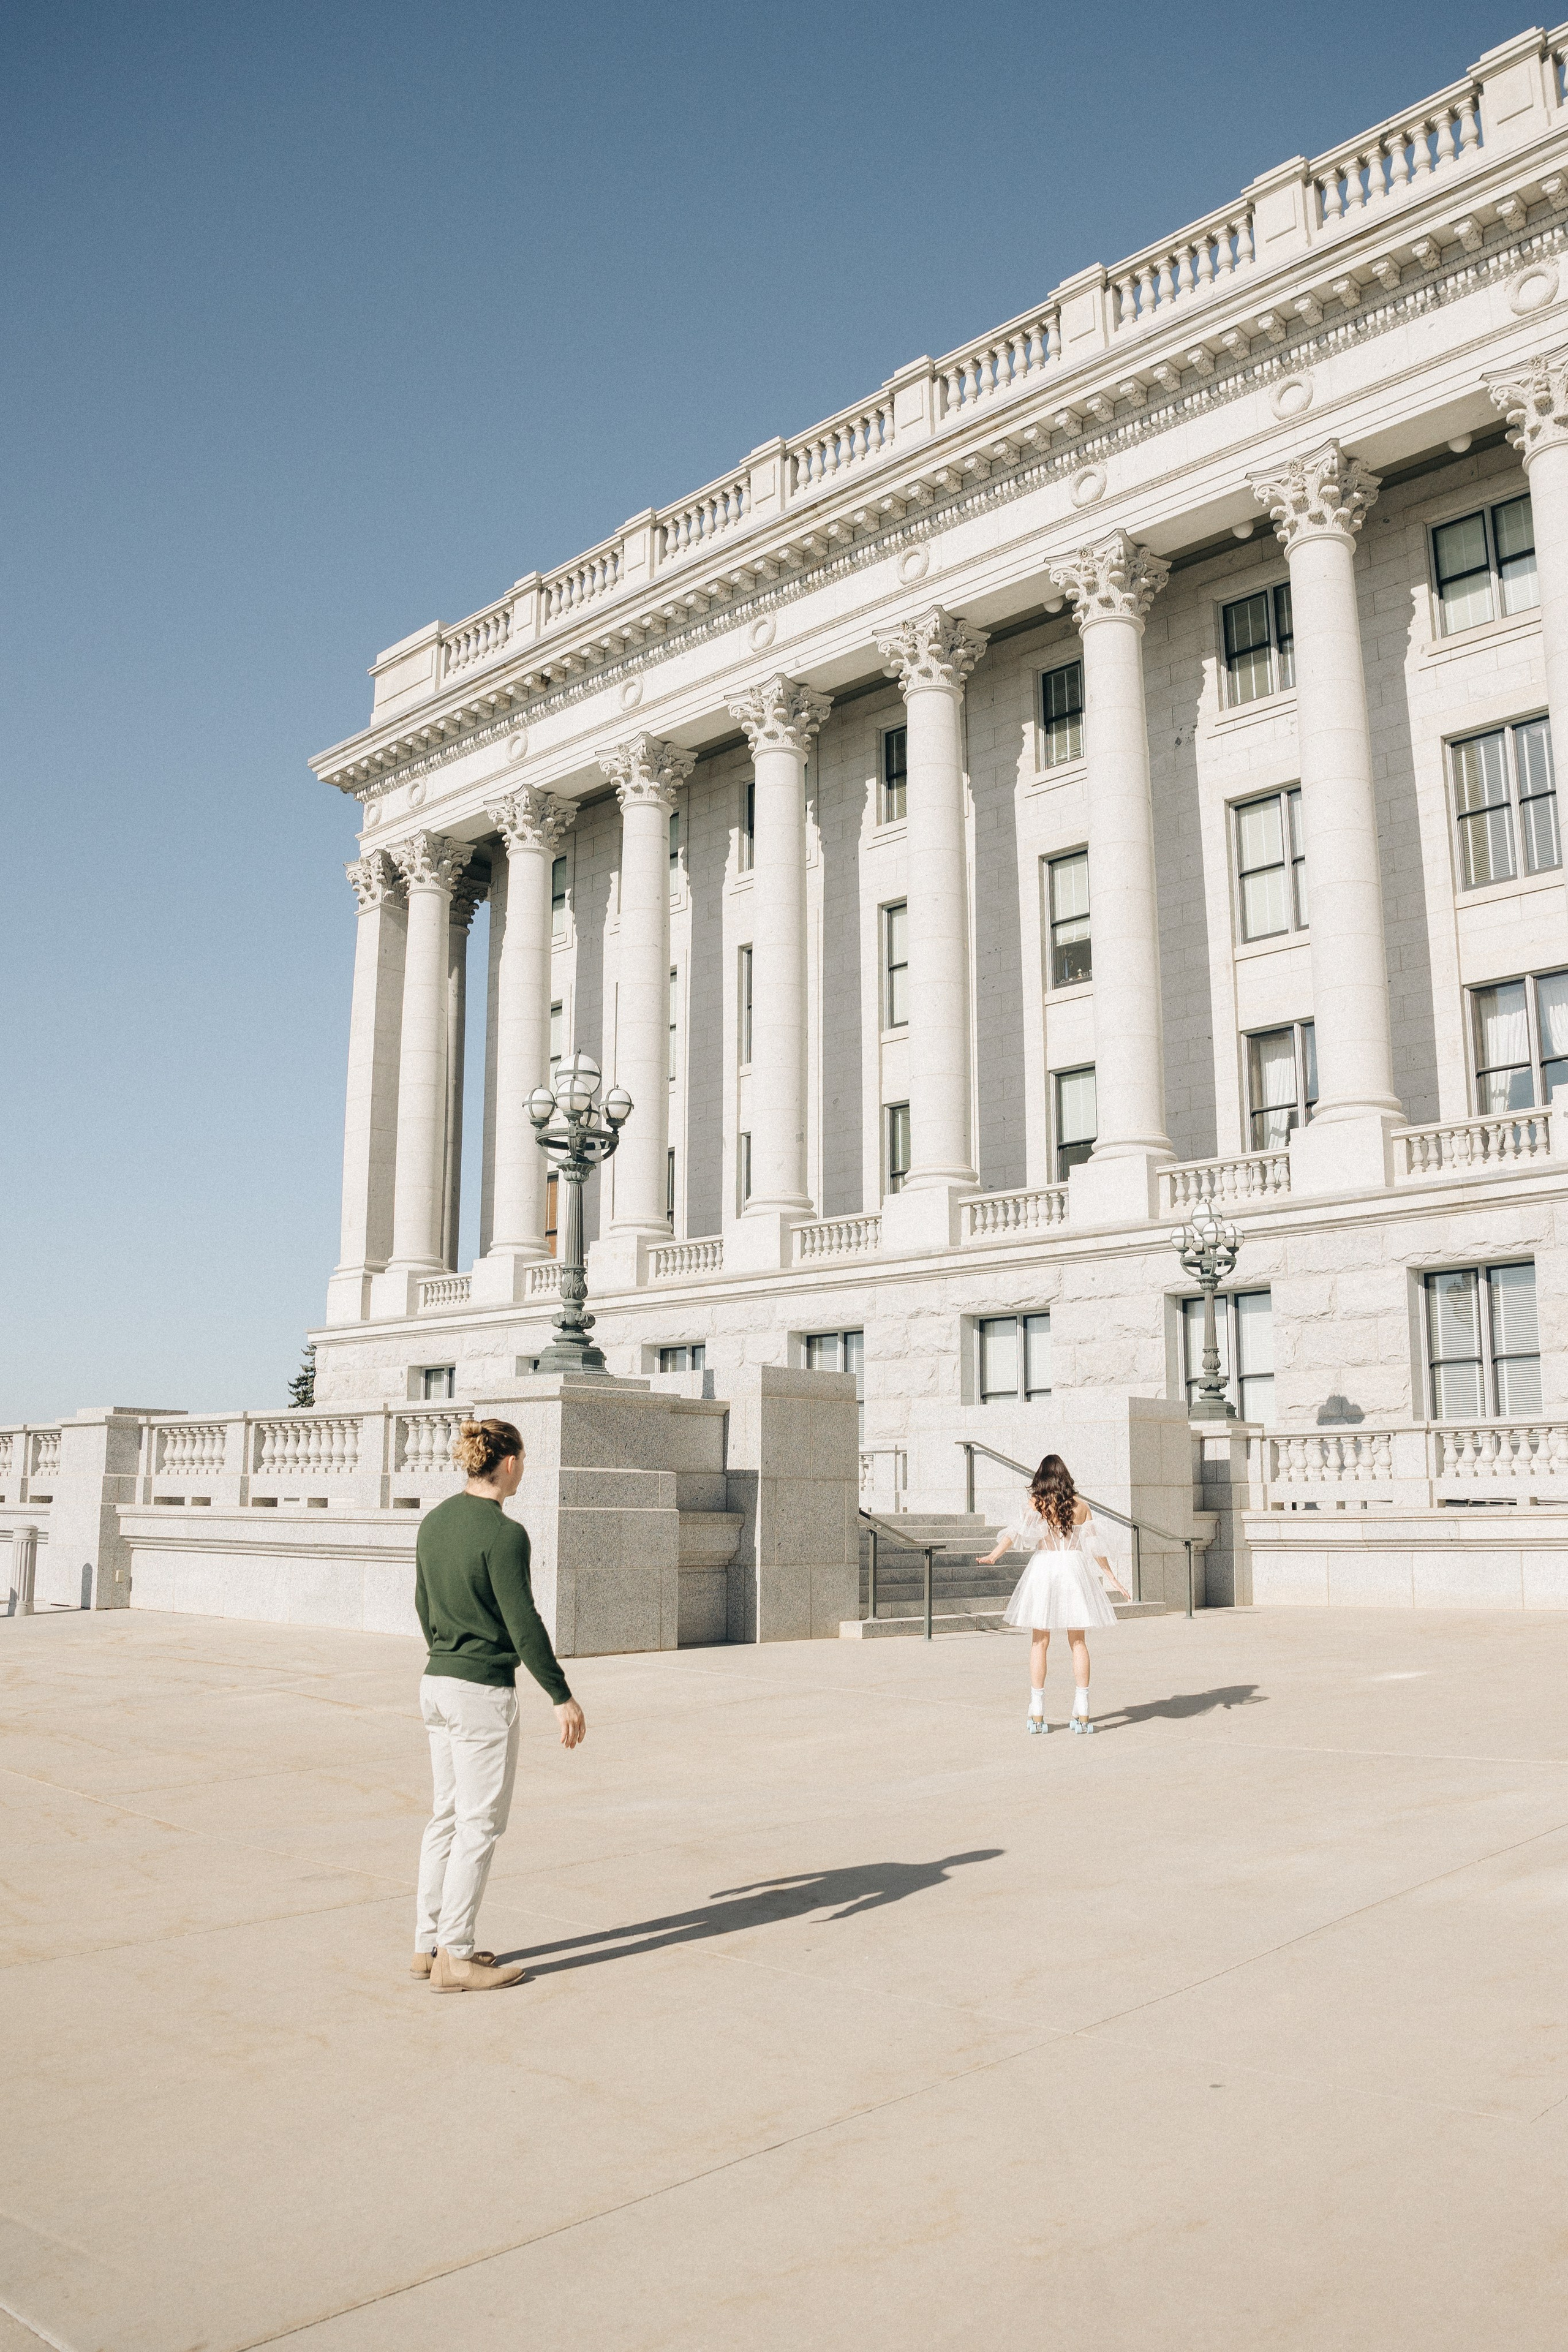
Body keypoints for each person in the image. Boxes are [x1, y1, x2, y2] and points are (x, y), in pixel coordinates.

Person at [411, 1418, 586, 1991]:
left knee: (446, 1816)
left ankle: (427, 1946)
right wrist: (559, 1693)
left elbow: (423, 1602)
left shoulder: (435, 1523)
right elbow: (523, 1619)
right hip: (481, 1690)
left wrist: (447, 1648)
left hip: (436, 1680)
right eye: (524, 1460)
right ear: (508, 1463)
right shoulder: (504, 1534)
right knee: (478, 1825)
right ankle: (455, 1956)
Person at [978, 1453, 1130, 1736]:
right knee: (1078, 1641)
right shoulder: (1081, 1507)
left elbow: (1014, 1533)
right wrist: (1112, 1578)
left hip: (1045, 1568)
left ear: (1042, 1477)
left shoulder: (1037, 1503)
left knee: (1040, 1641)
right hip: (1073, 1569)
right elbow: (1095, 1547)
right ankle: (1083, 1710)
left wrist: (994, 1555)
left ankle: (1037, 1712)